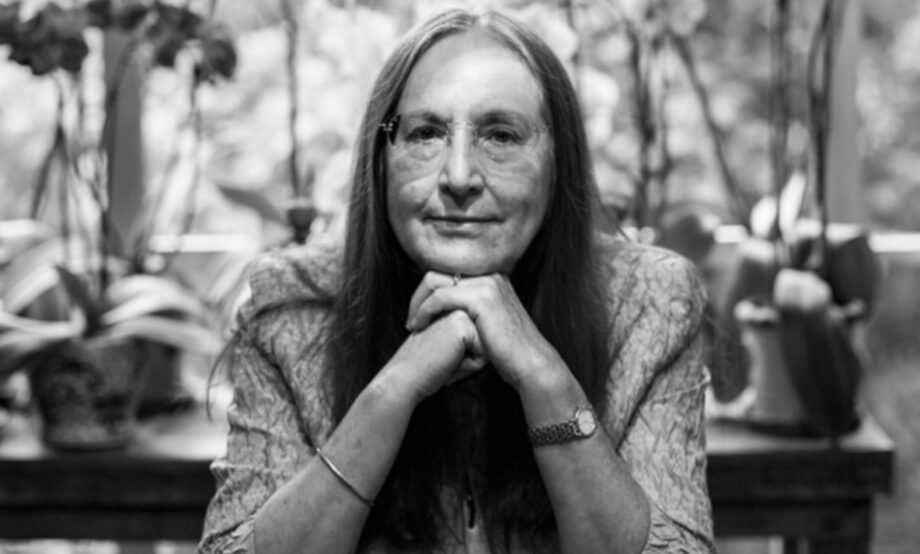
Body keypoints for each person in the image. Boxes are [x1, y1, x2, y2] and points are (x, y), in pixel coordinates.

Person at [200, 8, 715, 554]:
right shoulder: (289, 306)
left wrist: (545, 378)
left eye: (501, 135)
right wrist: (393, 391)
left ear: (559, 162)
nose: (460, 176)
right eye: (425, 133)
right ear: (380, 159)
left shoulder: (651, 303)